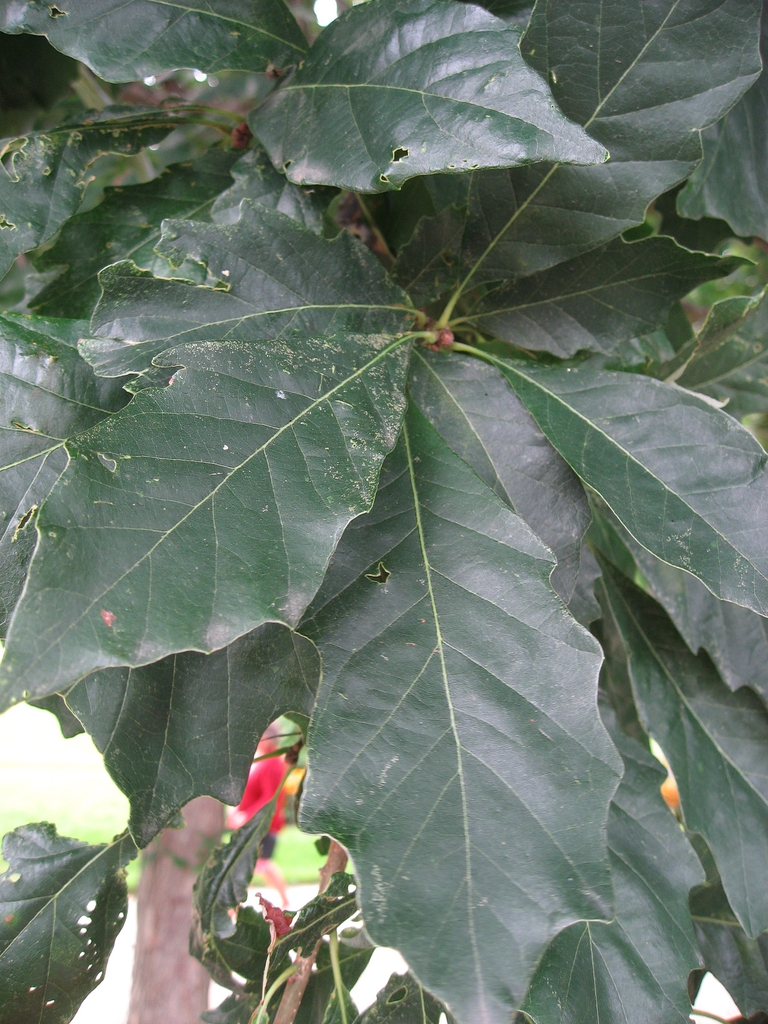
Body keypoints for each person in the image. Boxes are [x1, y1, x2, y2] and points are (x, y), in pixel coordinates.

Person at [226, 724, 290, 908]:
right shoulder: (260, 760)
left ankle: (234, 906)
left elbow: (270, 798)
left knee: (256, 864)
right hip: (253, 823)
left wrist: (245, 816)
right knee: (257, 864)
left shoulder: (272, 763)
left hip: (263, 824)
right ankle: (235, 905)